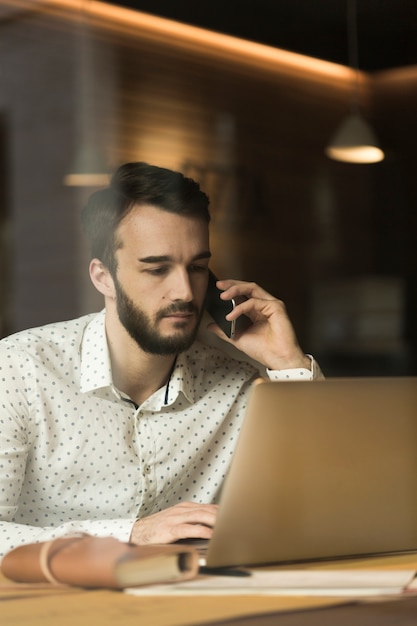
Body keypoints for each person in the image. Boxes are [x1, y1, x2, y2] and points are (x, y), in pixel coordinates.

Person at [0, 162, 322, 558]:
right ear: (103, 277)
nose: (185, 291)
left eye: (198, 267)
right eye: (157, 268)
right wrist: (129, 533)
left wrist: (288, 363)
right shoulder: (18, 370)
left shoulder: (241, 385)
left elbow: (325, 503)